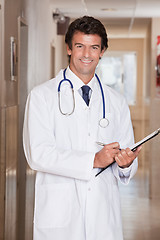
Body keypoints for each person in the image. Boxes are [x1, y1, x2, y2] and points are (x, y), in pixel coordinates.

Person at [23, 16, 141, 240]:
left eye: (94, 47)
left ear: (102, 51)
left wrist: (126, 165)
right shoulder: (42, 96)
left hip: (103, 214)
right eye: (80, 46)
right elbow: (38, 155)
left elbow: (126, 156)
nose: (87, 54)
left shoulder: (116, 101)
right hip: (60, 214)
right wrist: (93, 160)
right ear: (69, 48)